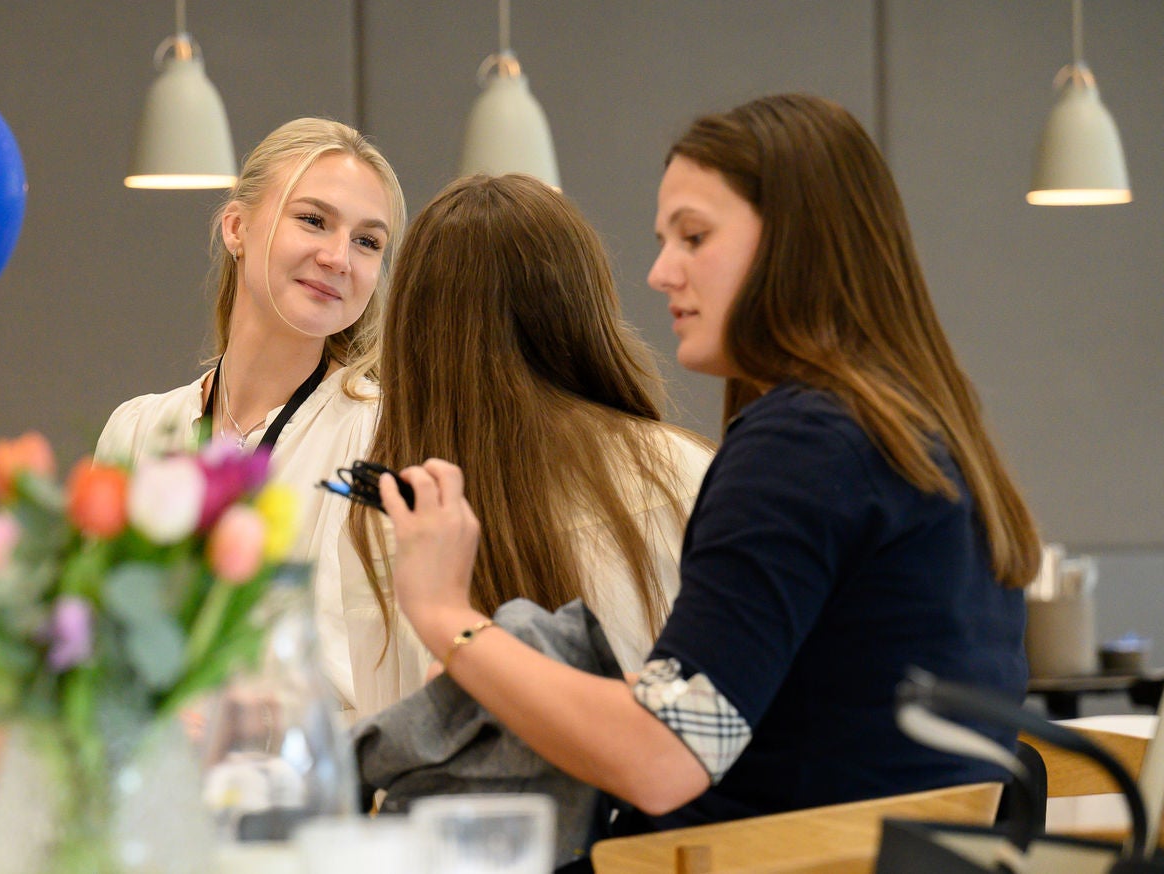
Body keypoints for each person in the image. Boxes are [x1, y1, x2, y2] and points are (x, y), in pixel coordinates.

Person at [378, 94, 1038, 829]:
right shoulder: (919, 432)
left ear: (797, 243)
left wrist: (448, 618)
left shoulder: (803, 445)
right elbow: (777, 715)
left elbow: (665, 756)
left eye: (694, 237)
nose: (661, 272)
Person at [346, 173, 713, 701]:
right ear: (584, 308)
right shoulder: (689, 473)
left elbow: (392, 733)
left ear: (411, 323)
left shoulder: (390, 518)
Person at [96, 117, 407, 721]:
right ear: (236, 227)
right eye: (314, 220)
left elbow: (372, 690)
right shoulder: (137, 432)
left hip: (305, 795)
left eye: (368, 242)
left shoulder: (382, 437)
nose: (338, 257)